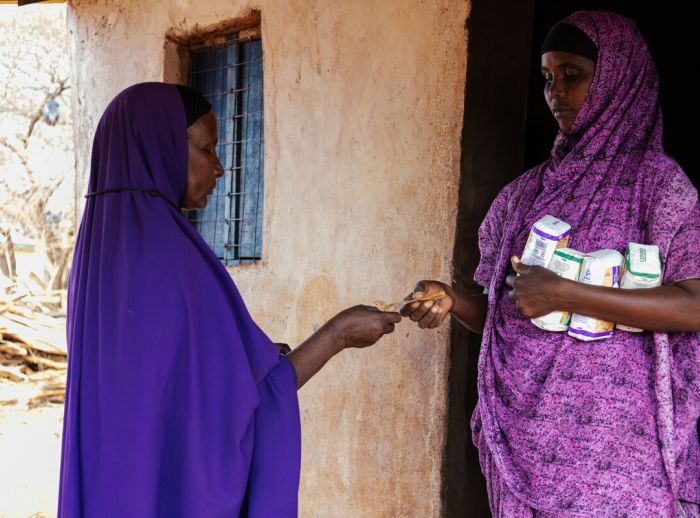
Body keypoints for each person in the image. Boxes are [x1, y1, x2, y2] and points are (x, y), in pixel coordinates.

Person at [402, 11, 700, 516]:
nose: (556, 92)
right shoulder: (523, 197)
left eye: (573, 75)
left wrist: (568, 293)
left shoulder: (660, 189)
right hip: (526, 444)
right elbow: (504, 311)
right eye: (547, 79)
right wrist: (454, 300)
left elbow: (694, 306)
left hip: (621, 449)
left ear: (617, 80)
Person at [57, 82, 401, 517]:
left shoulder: (96, 254)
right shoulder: (174, 256)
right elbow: (247, 405)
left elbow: (163, 385)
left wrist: (234, 359)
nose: (218, 168)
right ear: (161, 146)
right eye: (207, 149)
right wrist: (338, 335)